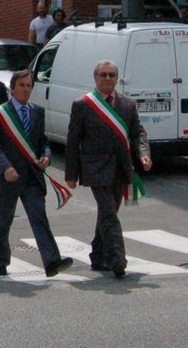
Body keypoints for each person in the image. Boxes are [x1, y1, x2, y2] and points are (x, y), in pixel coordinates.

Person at [65, 58, 151, 277]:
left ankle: (97, 255)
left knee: (107, 213)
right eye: (103, 75)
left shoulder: (127, 104)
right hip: (96, 169)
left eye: (111, 75)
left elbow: (137, 133)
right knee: (109, 214)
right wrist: (71, 174)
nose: (107, 79)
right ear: (95, 78)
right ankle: (117, 259)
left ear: (117, 78)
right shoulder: (83, 105)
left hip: (122, 169)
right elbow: (73, 140)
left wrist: (143, 155)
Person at [0, 69, 70, 278]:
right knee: (1, 223)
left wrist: (46, 156)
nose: (26, 89)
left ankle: (51, 261)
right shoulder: (0, 114)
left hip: (32, 177)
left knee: (39, 217)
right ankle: (2, 260)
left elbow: (43, 142)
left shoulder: (37, 112)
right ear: (12, 88)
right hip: (8, 177)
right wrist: (5, 167)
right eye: (22, 85)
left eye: (29, 86)